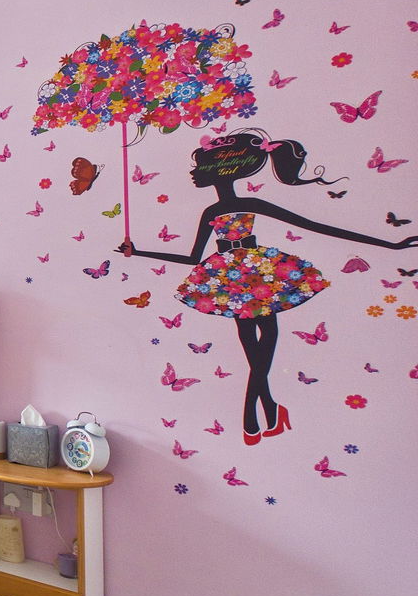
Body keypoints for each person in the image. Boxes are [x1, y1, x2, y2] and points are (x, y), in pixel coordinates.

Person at [118, 129, 417, 445]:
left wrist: (390, 245)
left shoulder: (246, 204)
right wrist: (137, 252)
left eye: (200, 167)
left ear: (222, 170)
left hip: (255, 275)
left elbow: (315, 226)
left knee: (263, 339)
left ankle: (253, 414)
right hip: (230, 278)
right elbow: (193, 257)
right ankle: (269, 409)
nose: (194, 173)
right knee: (255, 343)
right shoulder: (211, 212)